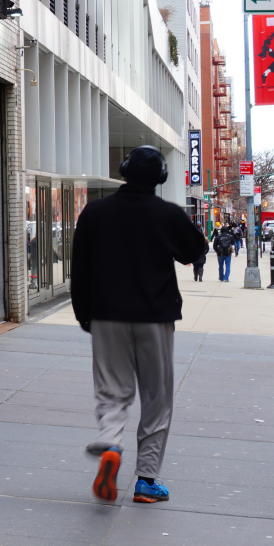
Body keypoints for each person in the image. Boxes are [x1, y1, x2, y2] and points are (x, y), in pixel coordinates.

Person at [72, 145, 207, 504]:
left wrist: (84, 313)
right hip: (155, 316)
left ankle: (110, 443)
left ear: (124, 171)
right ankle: (147, 480)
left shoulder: (95, 211)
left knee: (112, 390)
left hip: (106, 315)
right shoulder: (167, 213)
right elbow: (195, 251)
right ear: (161, 177)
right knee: (156, 396)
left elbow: (79, 267)